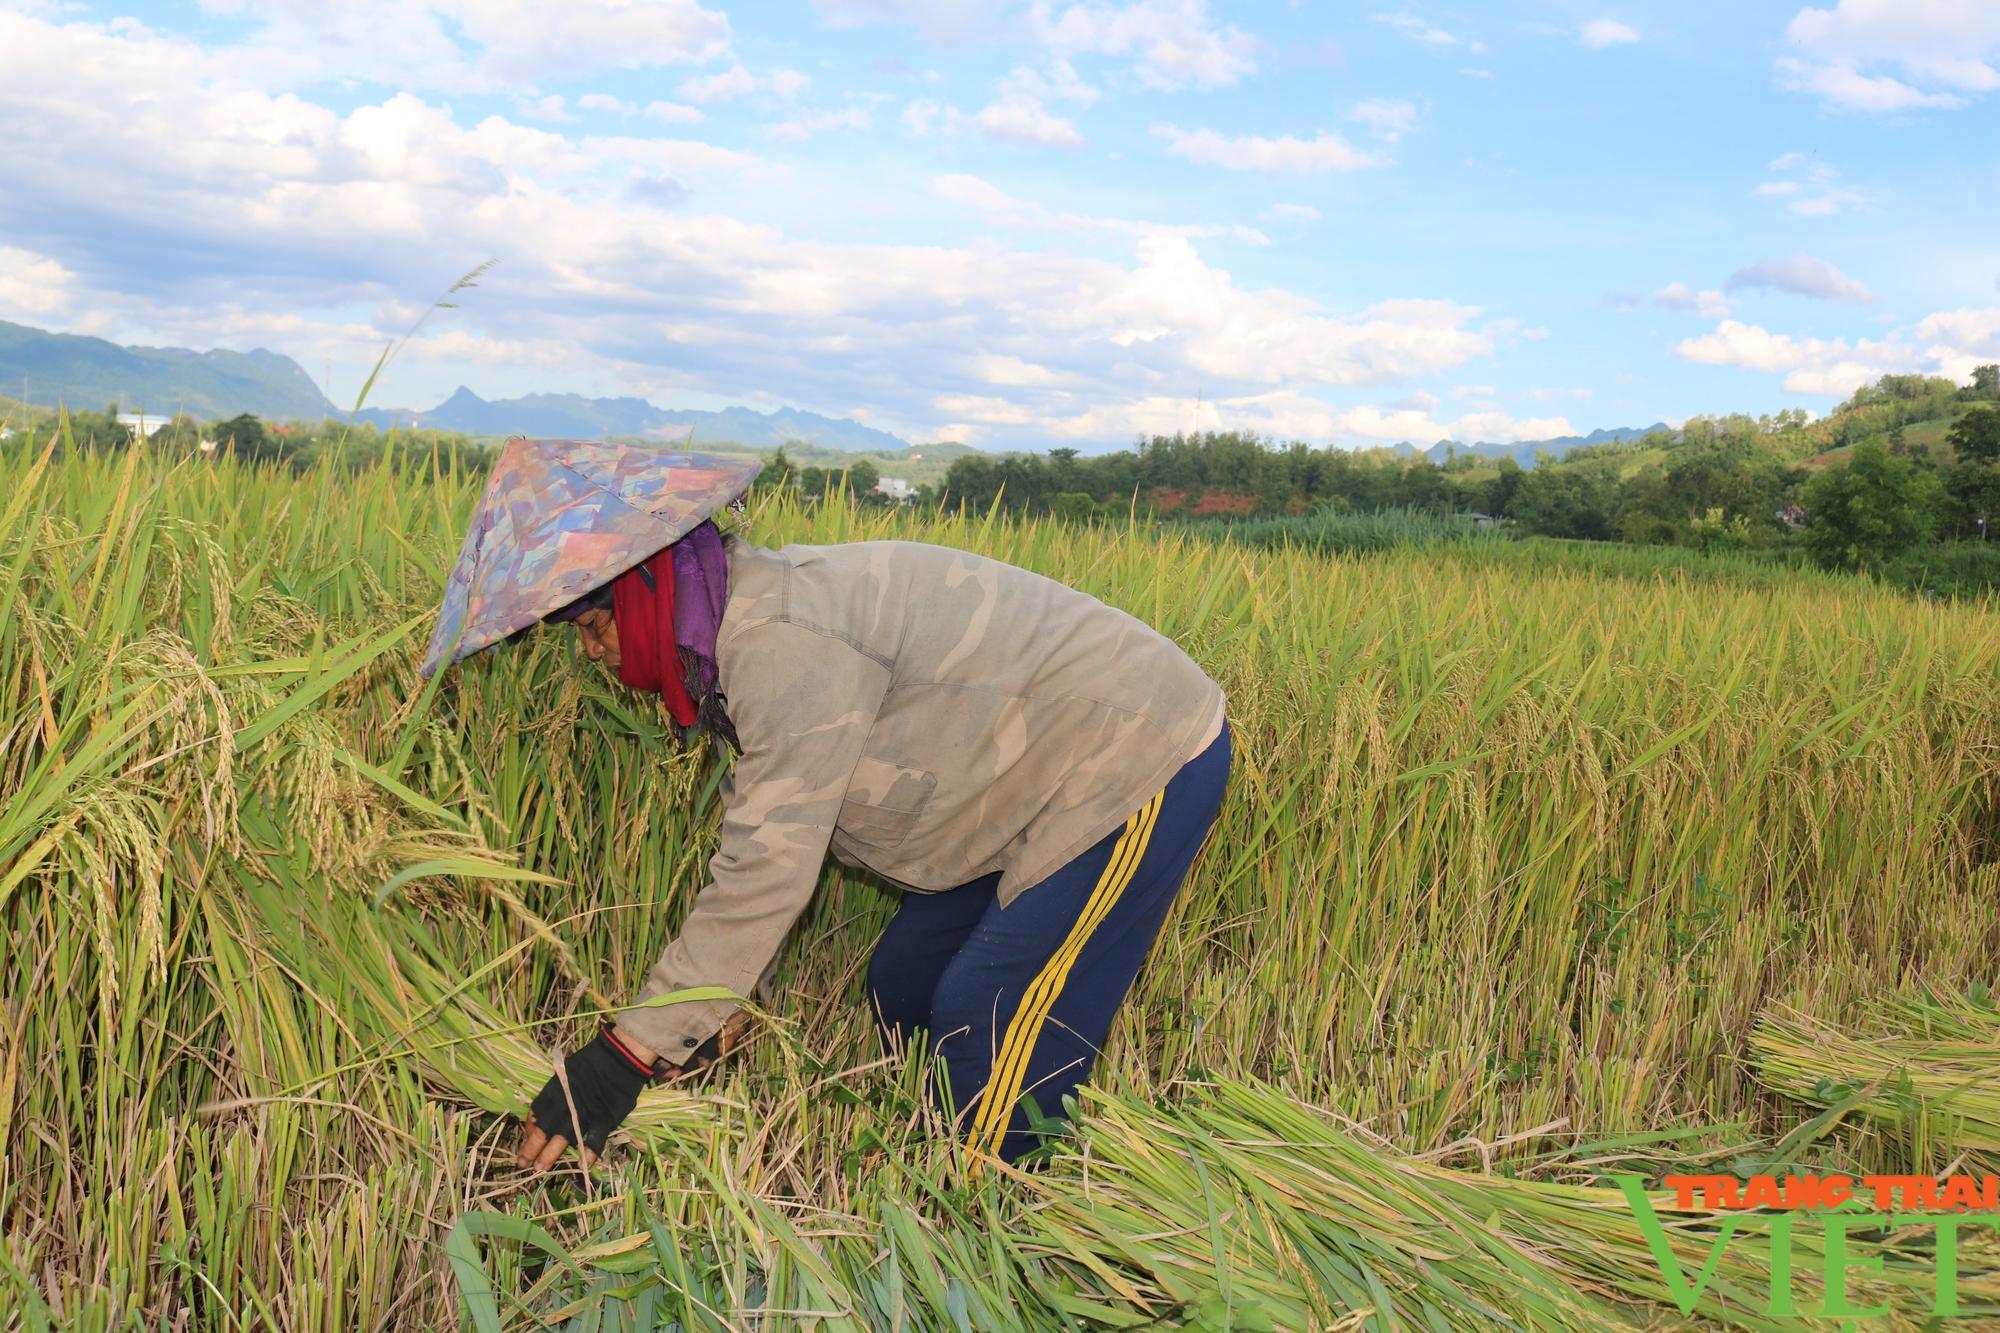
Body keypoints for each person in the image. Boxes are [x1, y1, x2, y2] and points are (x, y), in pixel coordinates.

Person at [422, 439, 1232, 1173]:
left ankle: (997, 1215)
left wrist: (622, 1059)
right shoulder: (732, 639)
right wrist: (724, 1002)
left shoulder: (778, 643)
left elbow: (763, 873)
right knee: (904, 985)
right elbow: (781, 829)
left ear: (645, 593)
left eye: (593, 624)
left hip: (1133, 754)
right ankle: (937, 1151)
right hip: (1013, 784)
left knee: (987, 1015)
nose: (591, 649)